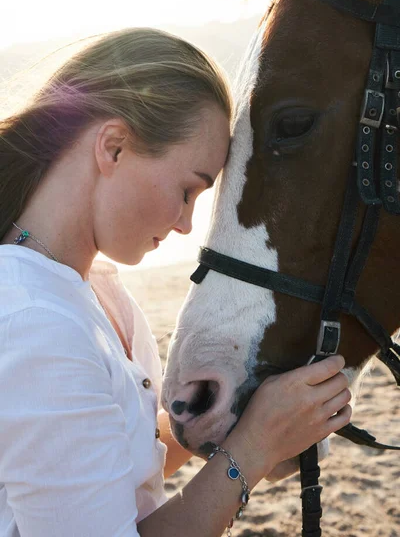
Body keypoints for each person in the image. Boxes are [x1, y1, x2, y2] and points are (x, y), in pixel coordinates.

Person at [0, 27, 352, 537]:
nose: (187, 224)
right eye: (189, 190)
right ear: (113, 147)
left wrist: (224, 417)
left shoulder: (96, 291)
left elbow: (110, 471)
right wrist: (250, 450)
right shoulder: (36, 323)